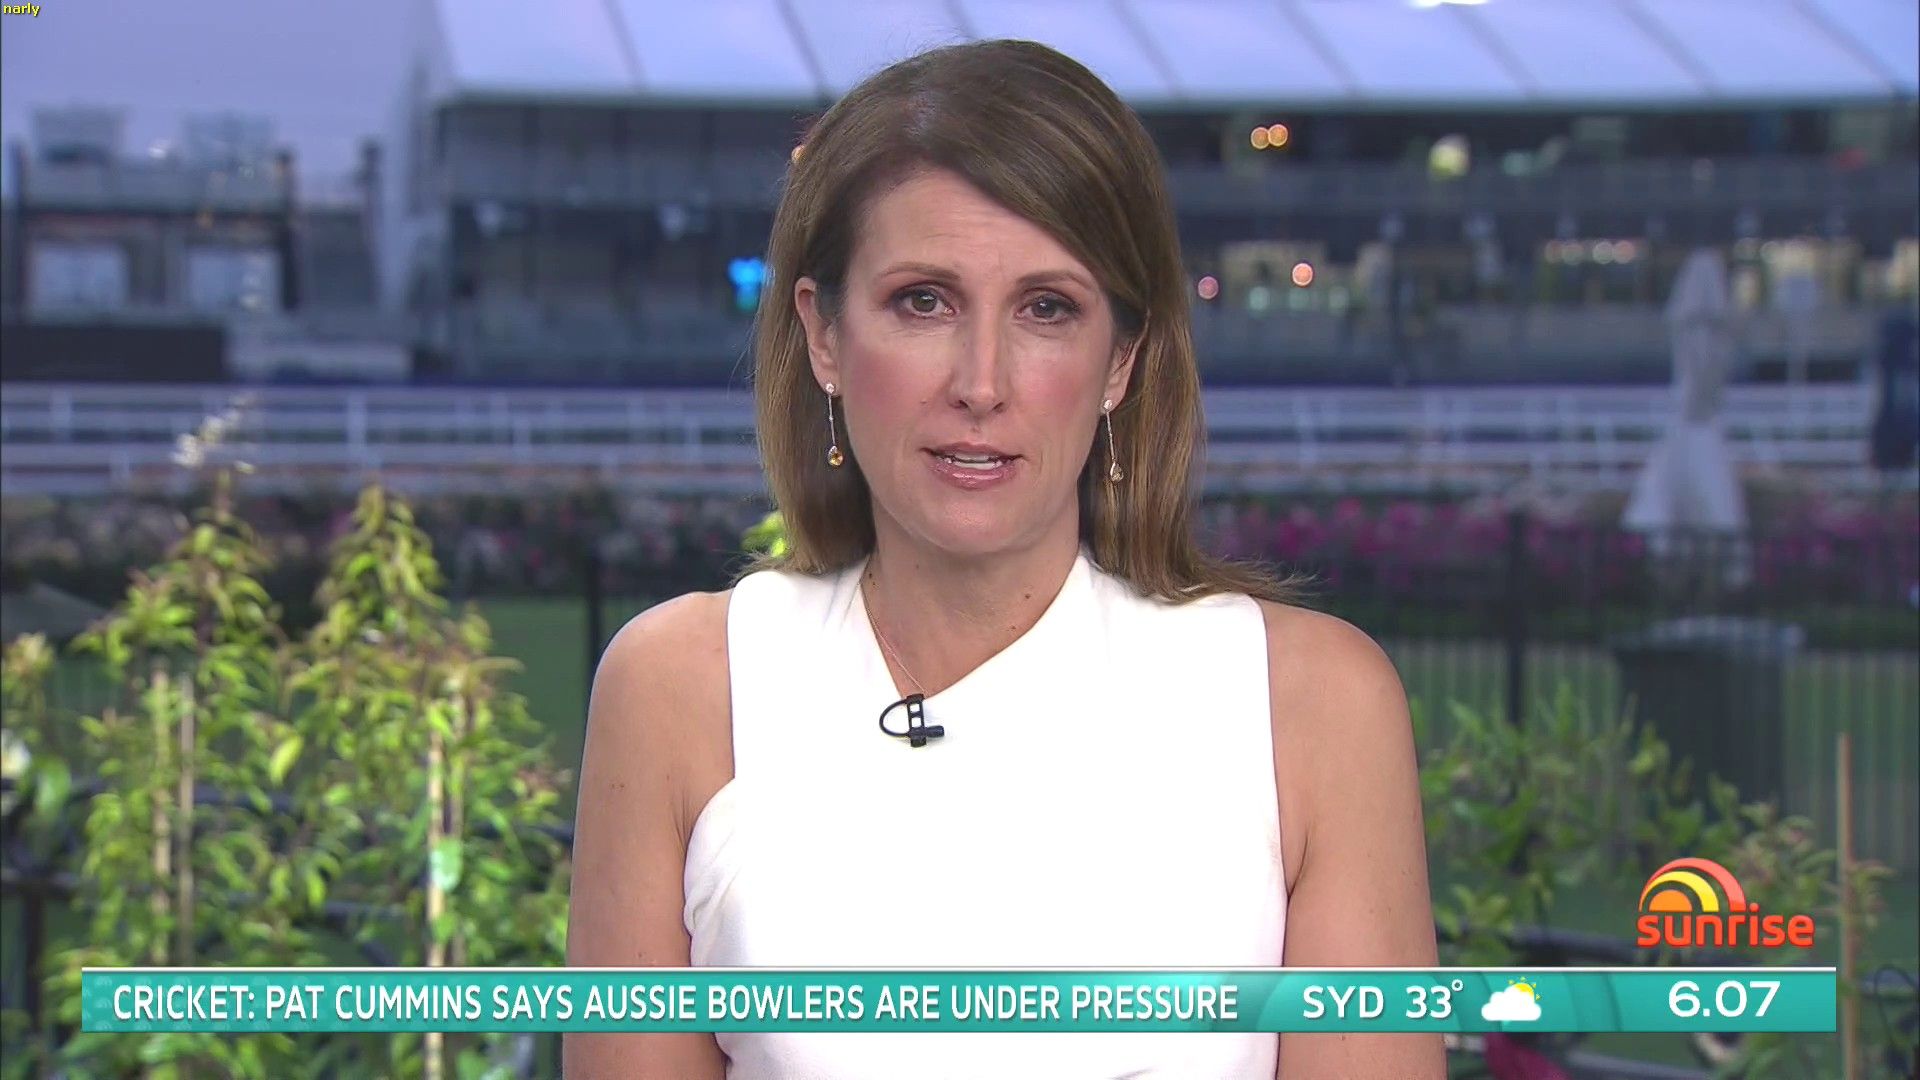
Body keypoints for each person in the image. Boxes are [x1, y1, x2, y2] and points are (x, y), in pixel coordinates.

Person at [566, 39, 1441, 1079]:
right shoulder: (681, 690)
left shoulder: (1312, 706)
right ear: (824, 335)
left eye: (1046, 309)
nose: (981, 384)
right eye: (923, 301)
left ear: (1120, 359)